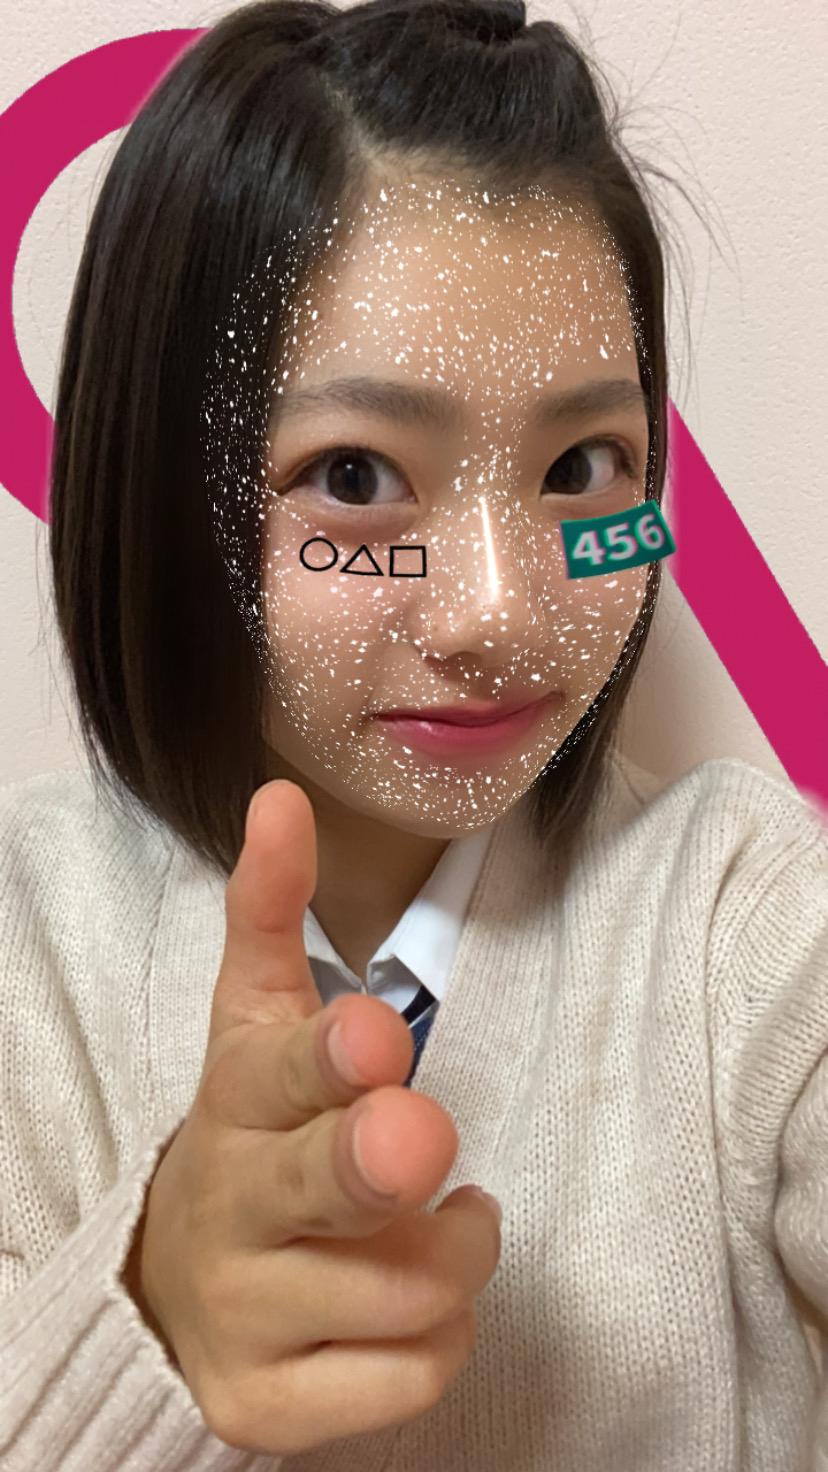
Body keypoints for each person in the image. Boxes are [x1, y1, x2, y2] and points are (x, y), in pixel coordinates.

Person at [1, 1, 826, 1468]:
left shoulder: (742, 915)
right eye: (356, 476)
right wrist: (145, 1333)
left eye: (584, 464)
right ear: (165, 491)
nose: (498, 612)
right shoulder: (23, 964)